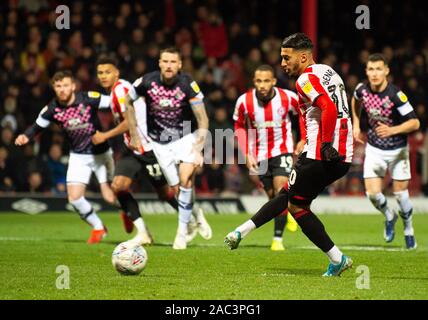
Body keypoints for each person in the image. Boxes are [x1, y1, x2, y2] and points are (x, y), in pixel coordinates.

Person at [225, 33, 354, 277]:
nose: (282, 63)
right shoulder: (328, 71)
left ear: (303, 56)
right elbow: (325, 108)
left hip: (320, 153)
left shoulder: (304, 80)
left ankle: (337, 259)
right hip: (343, 154)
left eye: (287, 57)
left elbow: (326, 105)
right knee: (292, 198)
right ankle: (241, 232)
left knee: (293, 203)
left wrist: (325, 143)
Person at [94, 56, 209, 245]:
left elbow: (128, 121)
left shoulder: (121, 91)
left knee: (167, 193)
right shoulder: (117, 91)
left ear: (117, 73)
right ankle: (143, 232)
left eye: (108, 72)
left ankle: (194, 214)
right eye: (100, 73)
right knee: (118, 186)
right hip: (133, 149)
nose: (103, 76)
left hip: (149, 148)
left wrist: (105, 136)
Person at [125, 47, 212, 249]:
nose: (169, 65)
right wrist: (135, 133)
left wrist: (198, 148)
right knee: (174, 189)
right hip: (159, 143)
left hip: (184, 138)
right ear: (159, 63)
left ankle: (181, 234)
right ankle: (195, 215)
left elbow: (202, 118)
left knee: (184, 181)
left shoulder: (188, 84)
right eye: (165, 61)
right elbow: (128, 101)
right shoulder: (147, 81)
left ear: (180, 65)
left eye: (173, 62)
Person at [15, 70, 115, 244]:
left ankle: (129, 213)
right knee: (74, 199)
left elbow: (115, 103)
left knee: (110, 196)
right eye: (58, 86)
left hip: (101, 153)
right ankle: (99, 227)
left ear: (73, 86)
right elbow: (37, 126)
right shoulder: (52, 109)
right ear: (54, 88)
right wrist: (26, 136)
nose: (62, 89)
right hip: (78, 155)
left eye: (66, 85)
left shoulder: (88, 98)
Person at [351, 53, 420, 249]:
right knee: (372, 194)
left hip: (398, 150)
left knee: (400, 194)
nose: (374, 73)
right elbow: (355, 101)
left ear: (386, 71)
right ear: (366, 71)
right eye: (371, 69)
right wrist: (356, 124)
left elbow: (415, 122)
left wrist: (392, 130)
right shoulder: (362, 89)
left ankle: (409, 229)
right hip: (374, 148)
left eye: (378, 69)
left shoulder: (395, 95)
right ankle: (389, 215)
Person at [233, 64, 300, 251]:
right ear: (254, 82)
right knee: (273, 199)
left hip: (282, 150)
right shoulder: (244, 101)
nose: (262, 85)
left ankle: (277, 239)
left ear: (274, 81)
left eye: (266, 81)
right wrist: (246, 153)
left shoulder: (288, 97)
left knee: (281, 191)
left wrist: (303, 139)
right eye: (259, 81)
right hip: (259, 153)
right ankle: (288, 213)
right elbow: (238, 127)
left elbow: (304, 114)